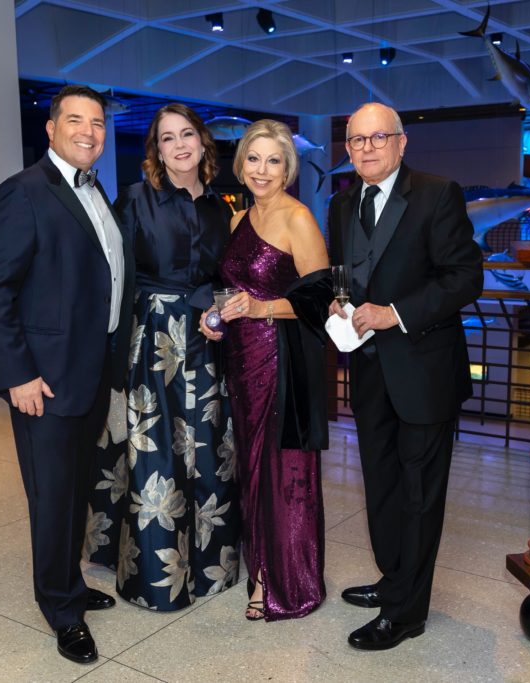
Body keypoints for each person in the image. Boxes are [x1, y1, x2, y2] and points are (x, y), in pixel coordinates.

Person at [0, 85, 133, 665]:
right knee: (50, 498)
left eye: (97, 122)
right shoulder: (24, 192)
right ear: (50, 128)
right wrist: (18, 374)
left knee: (74, 493)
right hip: (44, 380)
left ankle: (71, 583)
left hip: (90, 376)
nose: (88, 131)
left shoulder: (98, 193)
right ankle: (61, 611)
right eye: (75, 120)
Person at [328, 102, 483, 650]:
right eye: (356, 140)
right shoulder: (341, 205)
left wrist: (394, 314)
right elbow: (342, 278)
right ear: (346, 149)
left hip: (424, 372)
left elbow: (465, 278)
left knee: (420, 496)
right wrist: (337, 306)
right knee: (383, 487)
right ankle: (394, 580)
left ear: (400, 143)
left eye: (378, 138)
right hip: (369, 370)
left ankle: (407, 612)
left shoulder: (439, 194)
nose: (367, 148)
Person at [86, 103, 240, 610]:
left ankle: (210, 567)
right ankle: (155, 578)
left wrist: (216, 311)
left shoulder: (223, 208)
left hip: (206, 341)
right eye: (167, 137)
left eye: (187, 134)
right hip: (152, 342)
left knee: (208, 449)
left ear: (202, 142)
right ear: (156, 149)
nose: (179, 145)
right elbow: (112, 277)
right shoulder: (134, 199)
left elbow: (223, 280)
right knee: (157, 455)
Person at [198, 119, 332, 621]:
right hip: (239, 360)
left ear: (288, 168)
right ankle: (259, 565)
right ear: (241, 164)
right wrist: (215, 318)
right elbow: (229, 289)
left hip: (280, 361)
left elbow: (320, 302)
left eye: (273, 161)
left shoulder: (298, 219)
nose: (261, 170)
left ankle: (283, 581)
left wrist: (259, 309)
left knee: (279, 469)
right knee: (250, 469)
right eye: (253, 159)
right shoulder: (237, 220)